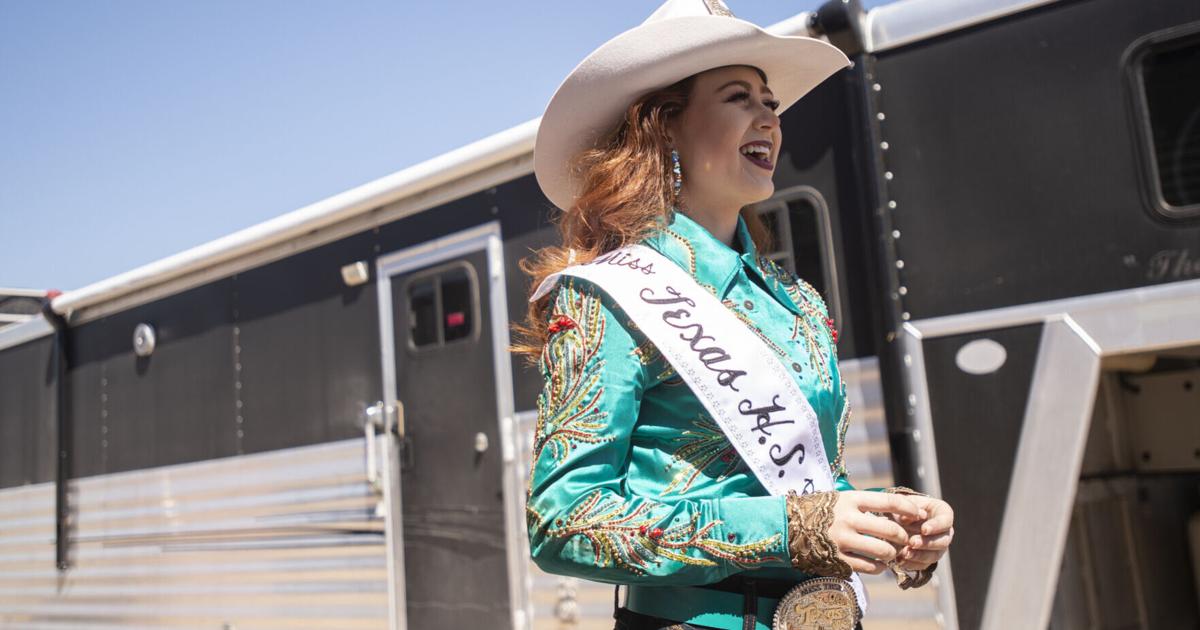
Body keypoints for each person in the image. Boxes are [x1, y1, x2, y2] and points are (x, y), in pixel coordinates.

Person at [513, 1, 955, 628]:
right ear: (664, 128)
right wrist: (792, 528)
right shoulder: (608, 295)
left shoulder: (797, 301)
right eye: (738, 97)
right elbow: (561, 523)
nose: (769, 117)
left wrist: (886, 519)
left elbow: (808, 483)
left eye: (770, 102)